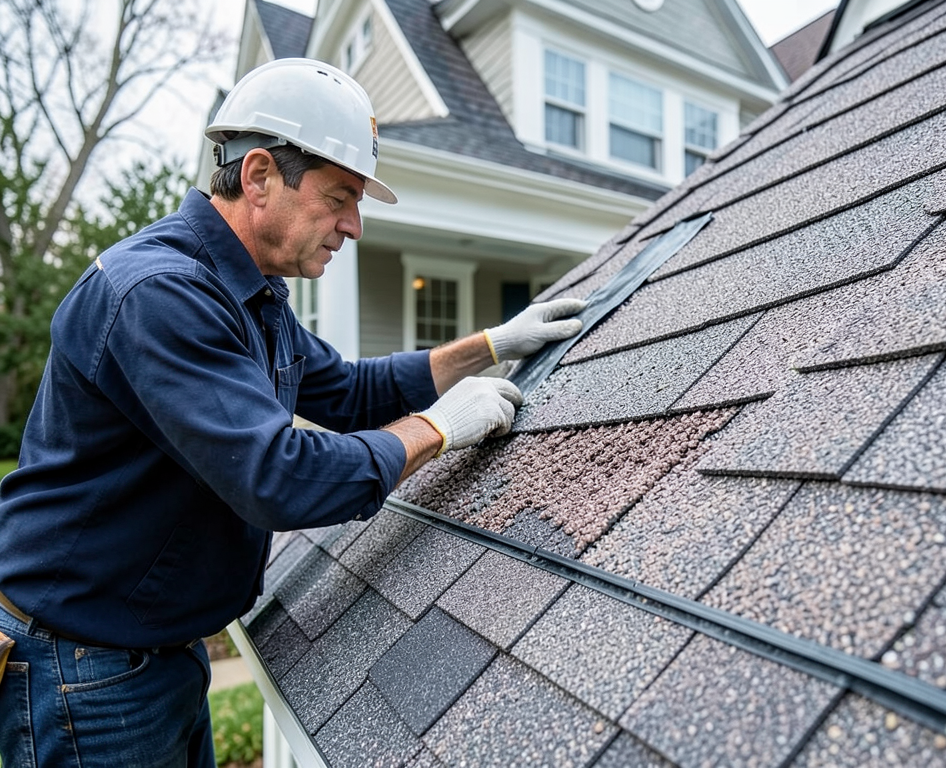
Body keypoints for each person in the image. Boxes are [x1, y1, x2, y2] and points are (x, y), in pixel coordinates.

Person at [0, 58, 585, 767]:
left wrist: (489, 345)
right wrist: (438, 430)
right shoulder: (159, 294)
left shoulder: (250, 292)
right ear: (257, 177)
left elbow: (345, 391)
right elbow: (276, 477)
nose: (355, 226)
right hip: (85, 671)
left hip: (152, 655)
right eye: (340, 196)